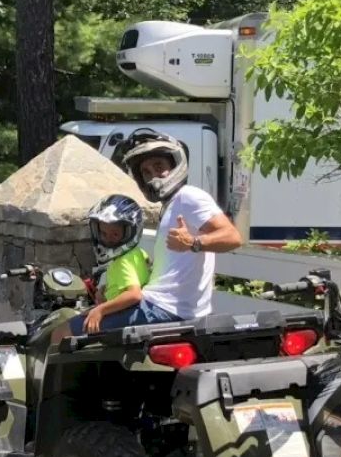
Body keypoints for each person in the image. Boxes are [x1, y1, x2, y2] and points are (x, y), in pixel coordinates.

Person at [66, 130, 243, 335]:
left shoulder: (189, 196)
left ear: (175, 164)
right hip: (166, 306)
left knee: (62, 331)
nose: (153, 177)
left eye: (159, 167)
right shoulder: (171, 206)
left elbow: (233, 237)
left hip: (161, 308)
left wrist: (194, 242)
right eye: (146, 172)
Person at [73, 194, 151, 334]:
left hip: (121, 313)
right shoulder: (137, 253)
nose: (108, 239)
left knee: (60, 331)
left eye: (115, 234)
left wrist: (100, 310)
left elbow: (134, 294)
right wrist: (106, 292)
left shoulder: (122, 261)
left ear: (129, 233)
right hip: (128, 310)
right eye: (103, 233)